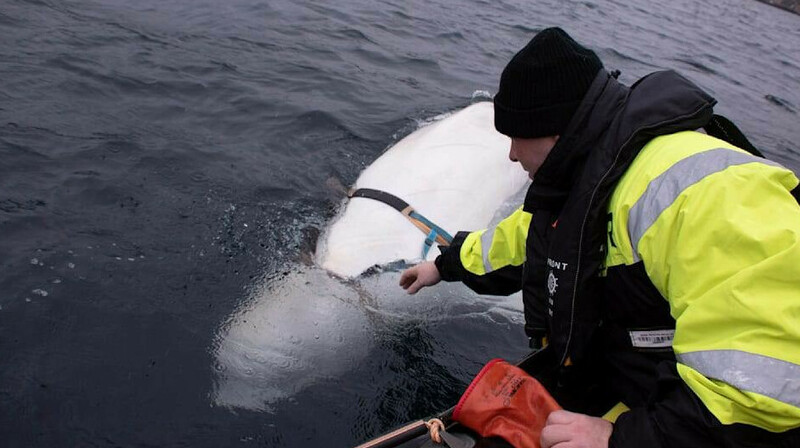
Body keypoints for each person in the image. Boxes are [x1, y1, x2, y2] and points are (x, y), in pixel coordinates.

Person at [399, 27, 800, 448]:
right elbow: (524, 241)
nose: (512, 155)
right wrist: (443, 266)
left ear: (554, 130)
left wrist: (618, 439)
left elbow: (765, 394)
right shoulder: (588, 176)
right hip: (638, 389)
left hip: (690, 424)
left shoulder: (705, 195)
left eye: (517, 137)